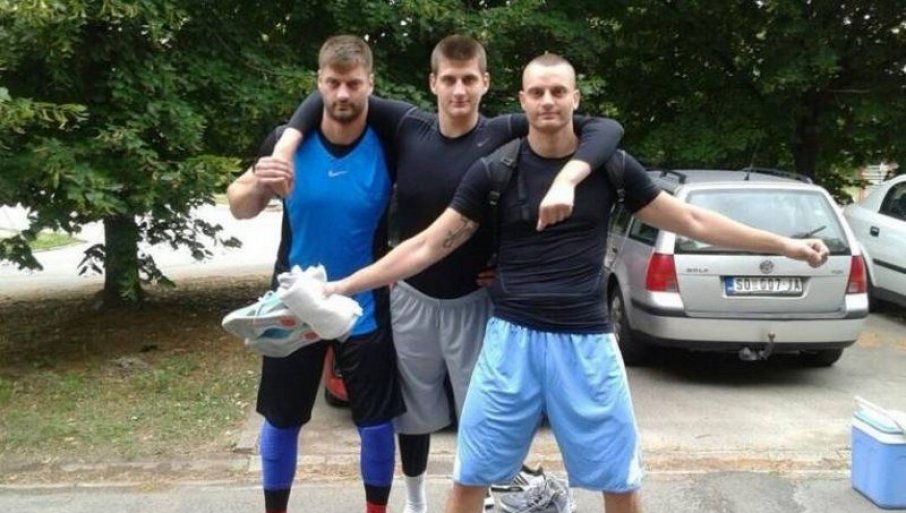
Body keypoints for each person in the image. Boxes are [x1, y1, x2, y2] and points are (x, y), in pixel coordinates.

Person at [321, 53, 832, 513]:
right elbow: (426, 245)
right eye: (537, 92)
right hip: (510, 342)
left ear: (575, 98)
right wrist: (346, 286)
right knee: (470, 476)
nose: (548, 101)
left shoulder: (610, 167)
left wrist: (784, 246)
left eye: (558, 91)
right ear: (522, 100)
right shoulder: (494, 170)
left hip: (587, 343)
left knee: (619, 481)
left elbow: (692, 220)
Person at [272, 35, 623, 513]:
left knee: (482, 414)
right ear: (433, 82)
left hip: (474, 298)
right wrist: (287, 144)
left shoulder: (503, 131)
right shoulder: (408, 125)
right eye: (450, 80)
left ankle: (493, 496)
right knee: (412, 415)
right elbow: (331, 92)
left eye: (469, 80)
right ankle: (416, 502)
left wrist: (567, 179)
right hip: (412, 294)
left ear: (485, 83)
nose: (459, 91)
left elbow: (605, 128)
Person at [227, 35, 405, 513]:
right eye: (333, 82)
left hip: (362, 304)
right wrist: (259, 182)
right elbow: (239, 205)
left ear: (370, 83)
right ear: (318, 83)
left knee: (376, 423)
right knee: (282, 419)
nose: (343, 94)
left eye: (353, 83)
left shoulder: (389, 143)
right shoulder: (287, 143)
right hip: (293, 303)